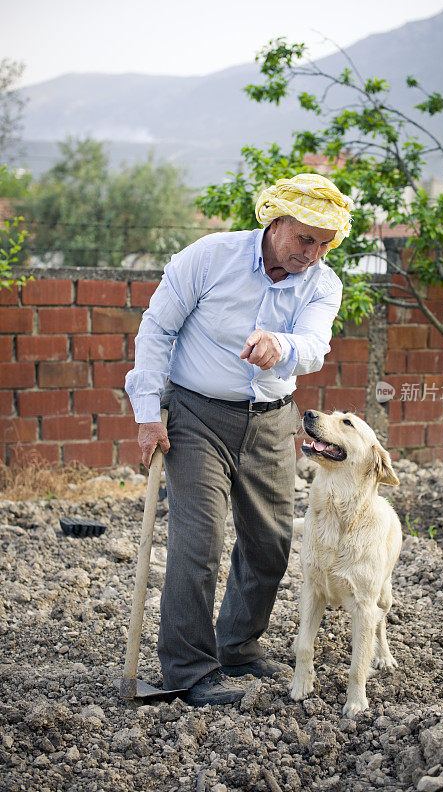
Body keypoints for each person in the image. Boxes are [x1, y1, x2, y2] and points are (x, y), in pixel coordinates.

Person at [125, 173, 353, 706]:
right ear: (274, 224)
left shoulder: (322, 282)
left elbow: (315, 345)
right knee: (198, 544)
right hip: (196, 415)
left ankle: (238, 646)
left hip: (273, 420)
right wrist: (146, 413)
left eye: (324, 244)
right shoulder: (208, 258)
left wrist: (281, 344)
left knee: (269, 542)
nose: (313, 253)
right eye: (304, 239)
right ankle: (187, 670)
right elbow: (157, 329)